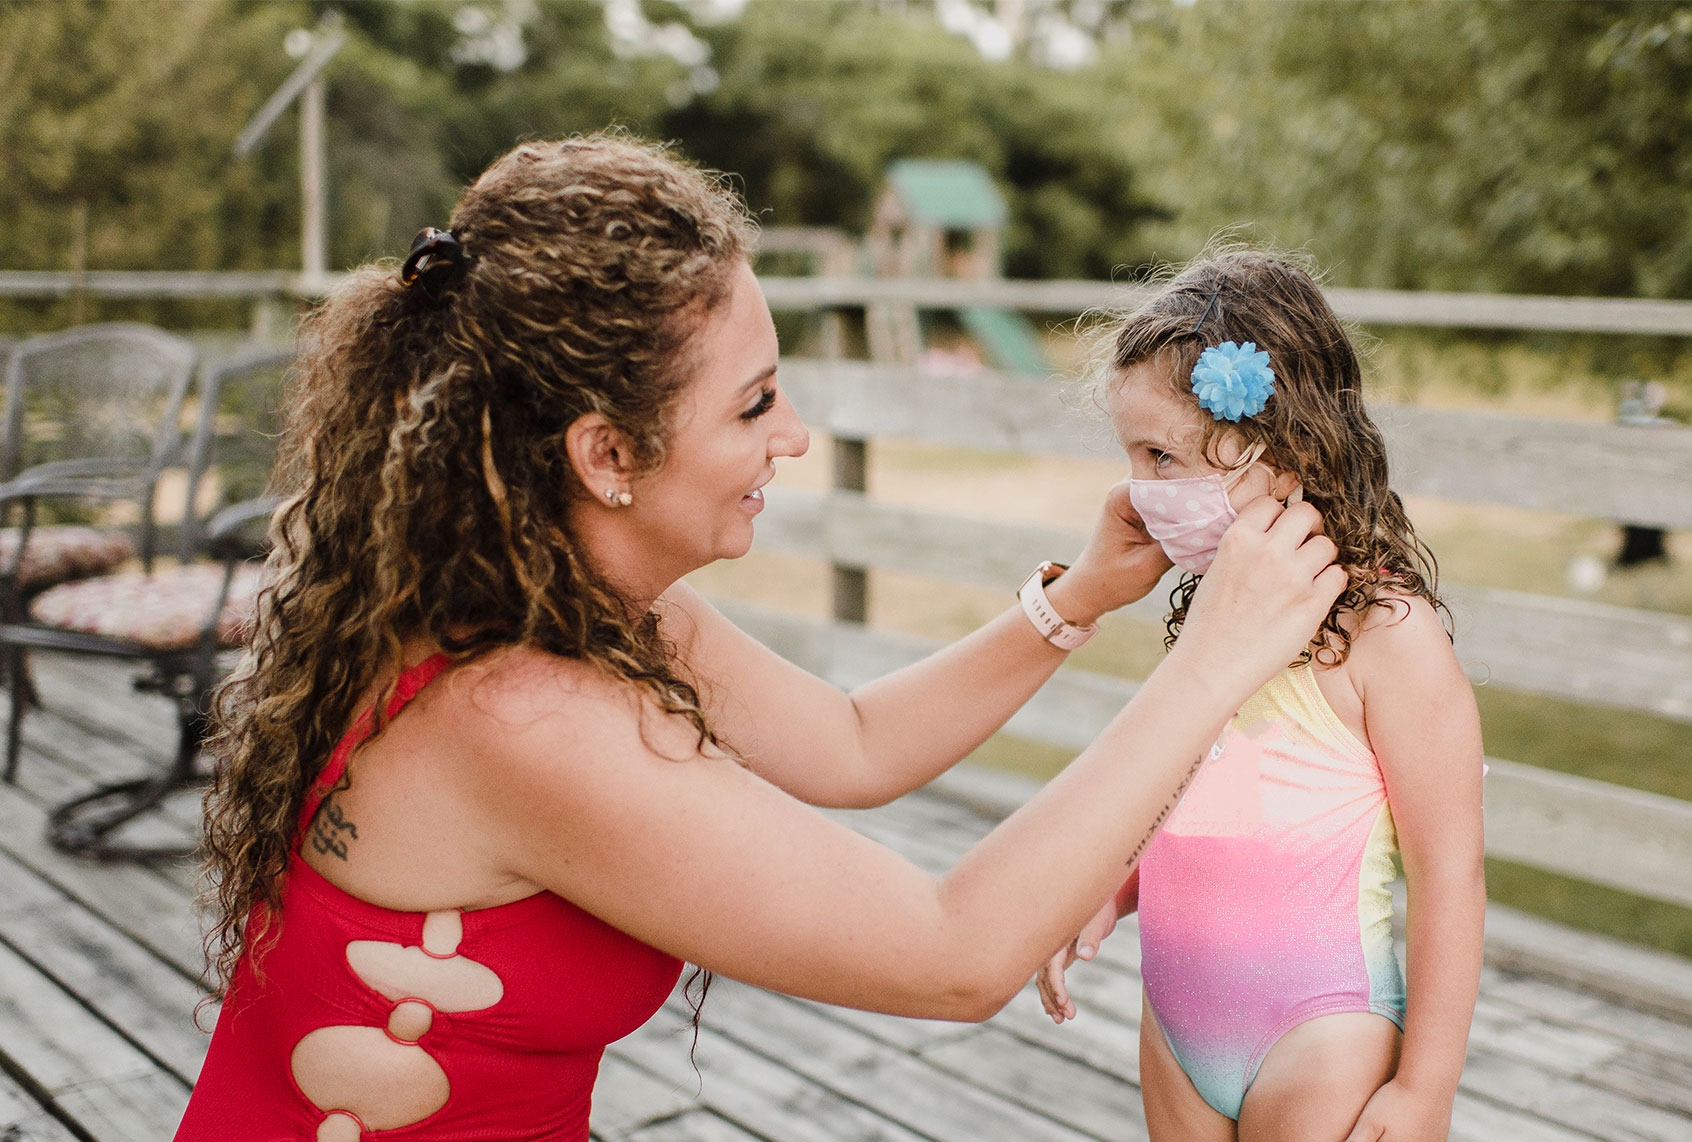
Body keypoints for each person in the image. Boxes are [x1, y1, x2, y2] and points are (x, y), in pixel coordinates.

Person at [175, 138, 1344, 1142]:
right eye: (752, 402)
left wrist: (1076, 597)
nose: (793, 433)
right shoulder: (516, 712)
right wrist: (1210, 662)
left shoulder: (574, 598)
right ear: (606, 454)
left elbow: (852, 742)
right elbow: (955, 952)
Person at [1036, 249, 1486, 1142]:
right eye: (1131, 458)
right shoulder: (1218, 617)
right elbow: (1196, 784)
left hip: (1322, 1034)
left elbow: (1452, 875)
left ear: (1283, 449)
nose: (1139, 490)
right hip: (1175, 1023)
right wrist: (1108, 885)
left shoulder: (1387, 637)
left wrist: (1423, 1089)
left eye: (1162, 457)